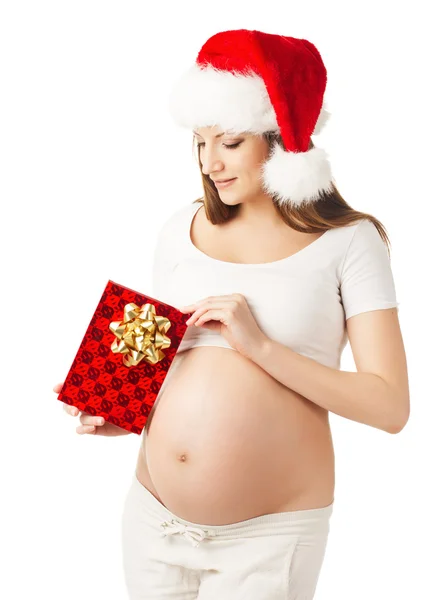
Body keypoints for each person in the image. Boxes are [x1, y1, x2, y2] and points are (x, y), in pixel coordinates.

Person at [55, 29, 410, 599]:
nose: (209, 162)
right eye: (199, 142)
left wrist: (261, 347)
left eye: (229, 142)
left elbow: (390, 406)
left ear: (282, 139)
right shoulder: (180, 229)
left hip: (267, 542)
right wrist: (117, 410)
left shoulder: (350, 242)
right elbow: (163, 370)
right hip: (153, 522)